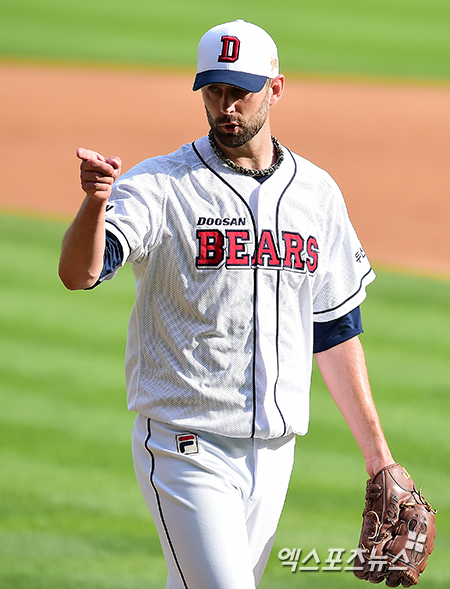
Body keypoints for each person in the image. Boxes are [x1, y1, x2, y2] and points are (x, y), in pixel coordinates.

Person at [59, 19, 395, 589]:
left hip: (275, 453)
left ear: (277, 88)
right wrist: (94, 204)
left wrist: (379, 457)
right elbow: (81, 273)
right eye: (213, 90)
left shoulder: (316, 193)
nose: (226, 106)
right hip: (185, 444)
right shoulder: (161, 184)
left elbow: (335, 329)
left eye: (240, 91)